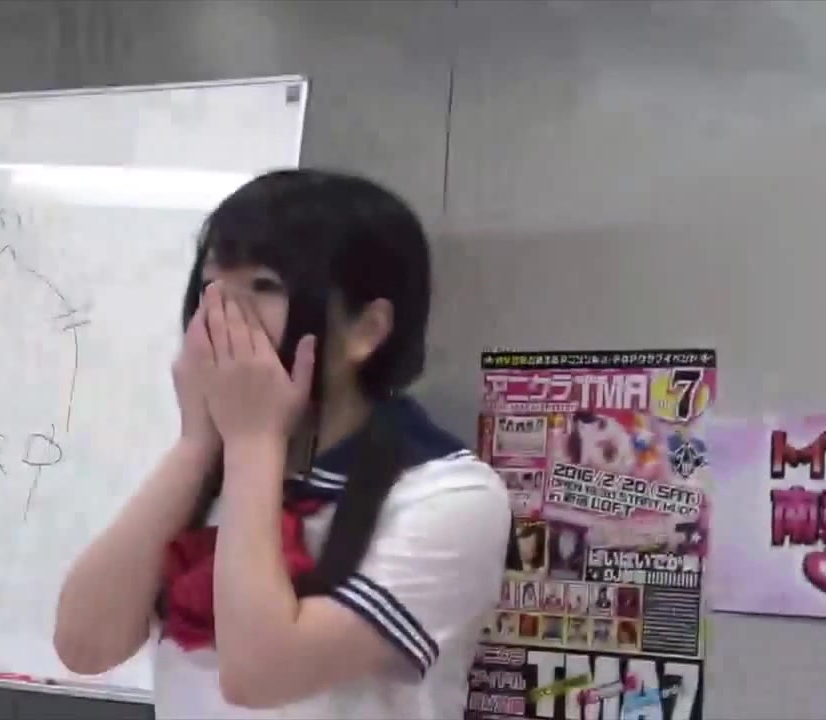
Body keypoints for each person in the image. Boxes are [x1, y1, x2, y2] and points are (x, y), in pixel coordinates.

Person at [53, 170, 511, 719]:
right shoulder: (215, 468)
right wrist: (197, 443)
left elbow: (260, 674)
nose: (223, 313)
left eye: (265, 287)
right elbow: (84, 646)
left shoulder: (447, 492)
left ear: (366, 329)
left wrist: (251, 443)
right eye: (210, 286)